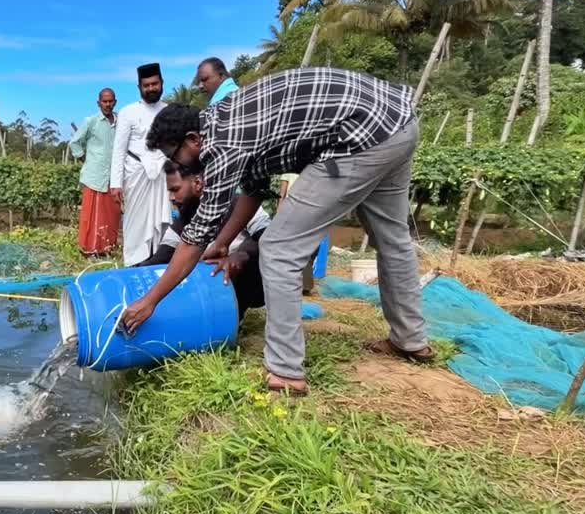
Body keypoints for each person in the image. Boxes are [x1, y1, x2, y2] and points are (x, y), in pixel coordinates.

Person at [121, 67, 432, 396]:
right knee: (393, 239)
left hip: (359, 135)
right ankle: (410, 339)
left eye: (175, 155)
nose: (179, 165)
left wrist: (150, 301)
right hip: (397, 121)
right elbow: (253, 192)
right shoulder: (222, 121)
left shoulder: (221, 145)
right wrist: (223, 243)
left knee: (279, 247)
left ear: (193, 140)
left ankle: (285, 371)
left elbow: (196, 236)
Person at [137, 160, 270, 314]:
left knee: (248, 259)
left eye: (175, 189)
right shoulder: (183, 221)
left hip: (251, 284)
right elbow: (160, 258)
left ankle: (230, 317)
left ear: (198, 183)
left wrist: (242, 256)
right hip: (209, 288)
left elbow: (268, 239)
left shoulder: (240, 205)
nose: (171, 198)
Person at [110, 63, 171, 267]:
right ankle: (134, 265)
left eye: (155, 84)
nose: (151, 88)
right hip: (136, 173)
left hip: (163, 175)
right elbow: (119, 150)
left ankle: (157, 264)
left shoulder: (169, 111)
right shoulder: (128, 112)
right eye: (146, 85)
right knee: (135, 224)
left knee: (162, 222)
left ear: (161, 83)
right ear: (139, 87)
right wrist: (115, 183)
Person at [69, 88, 120, 256]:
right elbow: (75, 142)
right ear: (99, 103)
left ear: (115, 102)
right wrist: (85, 159)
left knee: (111, 213)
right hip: (95, 175)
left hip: (113, 176)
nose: (107, 104)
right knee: (93, 214)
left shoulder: (120, 121)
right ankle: (90, 249)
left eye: (110, 101)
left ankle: (108, 247)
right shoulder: (91, 121)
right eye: (104, 101)